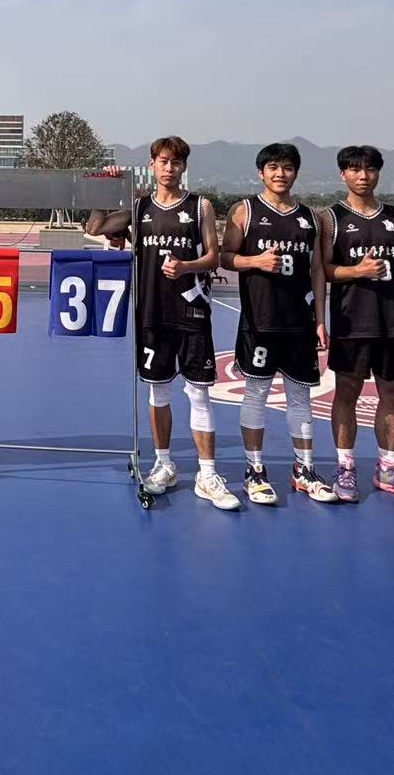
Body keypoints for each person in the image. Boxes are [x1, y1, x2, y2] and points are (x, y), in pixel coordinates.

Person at [219, 142, 337, 505]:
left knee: (300, 397)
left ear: (295, 172)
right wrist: (255, 261)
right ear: (261, 173)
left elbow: (317, 270)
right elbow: (225, 257)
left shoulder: (311, 217)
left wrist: (320, 319)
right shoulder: (245, 211)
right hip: (260, 321)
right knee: (256, 393)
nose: (280, 174)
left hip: (299, 322)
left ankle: (304, 469)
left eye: (287, 167)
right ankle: (254, 469)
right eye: (273, 167)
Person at [129, 137, 237, 509]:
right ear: (152, 164)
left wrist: (186, 266)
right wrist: (106, 187)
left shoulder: (200, 206)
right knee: (158, 393)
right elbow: (96, 224)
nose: (169, 168)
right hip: (152, 313)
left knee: (198, 393)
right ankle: (164, 465)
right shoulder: (139, 207)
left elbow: (214, 257)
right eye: (163, 161)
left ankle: (207, 474)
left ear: (184, 167)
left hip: (192, 312)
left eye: (176, 162)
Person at [319, 145, 394, 504]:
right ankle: (345, 467)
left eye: (369, 169)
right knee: (346, 394)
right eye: (354, 169)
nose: (363, 176)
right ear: (343, 175)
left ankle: (388, 469)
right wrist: (357, 271)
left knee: (393, 395)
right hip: (352, 322)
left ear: (378, 173)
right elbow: (323, 271)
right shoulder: (331, 218)